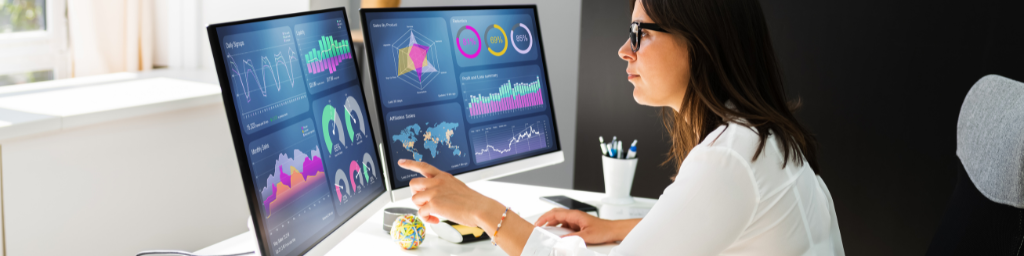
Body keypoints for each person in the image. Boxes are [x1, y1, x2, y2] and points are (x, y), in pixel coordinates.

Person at [397, 0, 845, 255]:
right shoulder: (760, 137)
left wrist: (481, 210)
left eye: (640, 33)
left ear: (699, 41)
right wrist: (623, 228)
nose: (623, 51)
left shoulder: (729, 159)